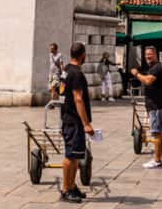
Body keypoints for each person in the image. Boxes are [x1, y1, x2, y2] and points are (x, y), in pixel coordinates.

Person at [60, 42, 94, 204]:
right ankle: (65, 189)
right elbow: (78, 99)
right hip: (74, 120)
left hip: (68, 118)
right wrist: (86, 123)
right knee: (70, 156)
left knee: (75, 156)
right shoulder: (76, 74)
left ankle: (72, 185)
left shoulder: (66, 70)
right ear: (83, 55)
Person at [131, 46, 162, 169]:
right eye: (146, 54)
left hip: (157, 106)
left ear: (155, 55)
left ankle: (157, 160)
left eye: (150, 54)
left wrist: (137, 74)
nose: (147, 56)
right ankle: (161, 158)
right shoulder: (152, 67)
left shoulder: (157, 67)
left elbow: (147, 81)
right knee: (158, 133)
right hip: (155, 105)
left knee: (156, 133)